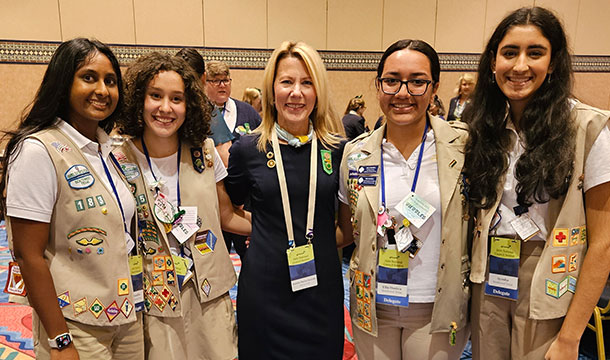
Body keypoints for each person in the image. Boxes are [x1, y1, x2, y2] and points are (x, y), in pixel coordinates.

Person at [462, 6, 610, 360]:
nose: (519, 66)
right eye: (509, 53)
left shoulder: (588, 129)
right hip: (490, 269)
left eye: (535, 53)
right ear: (493, 61)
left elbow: (604, 243)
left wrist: (571, 337)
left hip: (550, 272)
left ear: (554, 62)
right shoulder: (482, 126)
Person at [0, 38, 144, 359]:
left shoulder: (109, 150)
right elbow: (28, 255)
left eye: (111, 81)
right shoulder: (38, 149)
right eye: (89, 77)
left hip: (125, 313)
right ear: (64, 82)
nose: (103, 90)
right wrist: (60, 339)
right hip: (75, 321)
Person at [336, 39, 471, 360]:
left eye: (417, 81)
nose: (402, 92)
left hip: (436, 307)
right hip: (373, 305)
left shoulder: (463, 146)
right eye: (392, 80)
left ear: (434, 87)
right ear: (378, 85)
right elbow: (345, 226)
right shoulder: (355, 154)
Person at [114, 52, 251, 360]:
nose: (166, 108)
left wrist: (277, 227)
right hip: (155, 298)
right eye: (155, 96)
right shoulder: (118, 159)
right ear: (139, 99)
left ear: (189, 104)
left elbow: (226, 214)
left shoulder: (204, 152)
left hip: (209, 293)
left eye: (176, 98)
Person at [225, 40, 345, 359]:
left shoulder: (337, 150)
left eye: (307, 83)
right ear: (271, 90)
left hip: (322, 289)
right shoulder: (247, 150)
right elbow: (228, 212)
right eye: (287, 82)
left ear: (318, 91)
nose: (297, 93)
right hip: (265, 289)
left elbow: (347, 227)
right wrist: (266, 231)